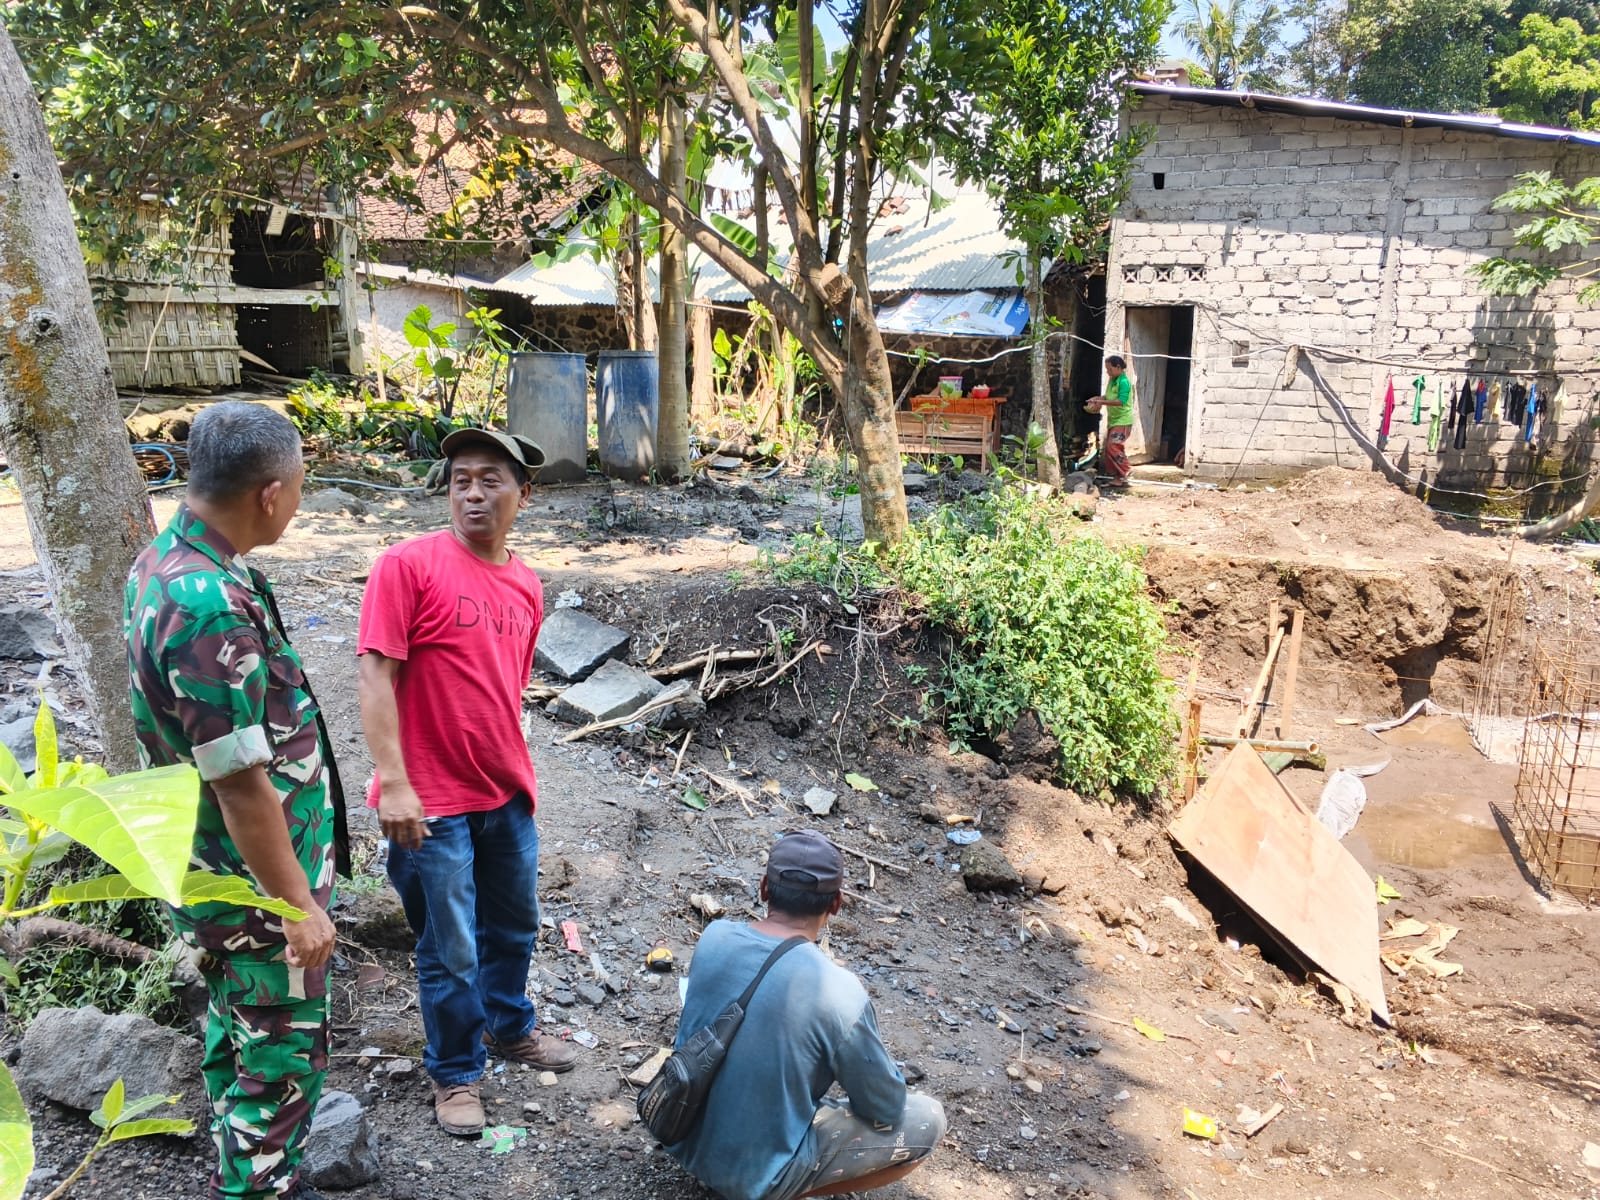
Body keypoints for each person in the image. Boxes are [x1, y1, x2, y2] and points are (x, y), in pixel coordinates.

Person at [124, 401, 350, 1200]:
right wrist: (298, 904)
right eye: (299, 486)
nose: (297, 500)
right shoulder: (206, 603)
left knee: (238, 1037)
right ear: (270, 493)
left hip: (219, 876)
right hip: (253, 891)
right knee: (281, 1073)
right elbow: (238, 780)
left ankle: (240, 1171)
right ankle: (254, 1186)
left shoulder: (170, 564)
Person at [356, 427, 576, 1138]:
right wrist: (394, 782)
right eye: (461, 480)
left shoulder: (525, 583)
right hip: (429, 802)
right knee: (448, 950)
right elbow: (375, 674)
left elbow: (501, 690)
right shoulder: (407, 565)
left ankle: (510, 1026)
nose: (473, 493)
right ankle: (454, 1072)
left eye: (490, 480)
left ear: (524, 494)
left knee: (513, 926)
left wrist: (516, 778)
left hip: (505, 793)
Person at [667, 831, 946, 1200]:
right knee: (928, 1118)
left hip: (680, 1136)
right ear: (836, 904)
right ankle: (781, 1189)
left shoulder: (714, 937)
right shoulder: (841, 992)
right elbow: (886, 1107)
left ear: (765, 888)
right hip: (752, 1178)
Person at [1087, 354, 1134, 487]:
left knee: (1113, 446)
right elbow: (1108, 396)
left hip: (1123, 420)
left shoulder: (1124, 382)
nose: (1108, 372)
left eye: (1109, 369)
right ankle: (1117, 479)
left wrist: (1102, 402)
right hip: (1114, 420)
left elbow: (1121, 401)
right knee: (1113, 448)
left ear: (1118, 367)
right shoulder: (1113, 380)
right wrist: (1097, 399)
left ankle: (1126, 470)